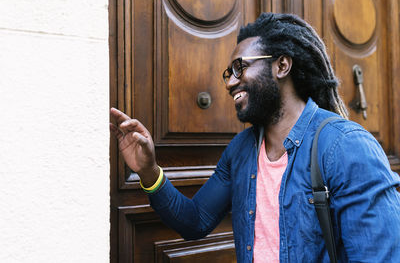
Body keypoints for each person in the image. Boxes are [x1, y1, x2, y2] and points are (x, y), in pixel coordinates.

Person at [110, 13, 400, 262]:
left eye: (240, 67)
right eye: (228, 73)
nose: (230, 82)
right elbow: (195, 221)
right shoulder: (241, 150)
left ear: (281, 66)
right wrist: (148, 171)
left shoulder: (345, 146)